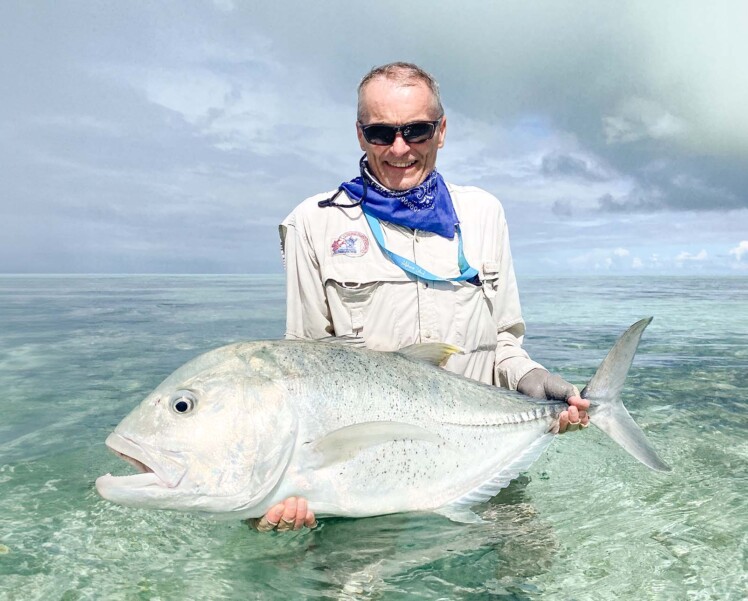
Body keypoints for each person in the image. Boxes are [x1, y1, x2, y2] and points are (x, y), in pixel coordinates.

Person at [250, 62, 589, 533]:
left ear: (442, 130)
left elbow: (503, 342)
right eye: (380, 132)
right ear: (359, 134)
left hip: (483, 462)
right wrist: (282, 483)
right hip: (371, 482)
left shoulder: (484, 213)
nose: (400, 148)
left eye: (417, 130)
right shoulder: (313, 222)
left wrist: (533, 381)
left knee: (527, 572)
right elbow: (306, 370)